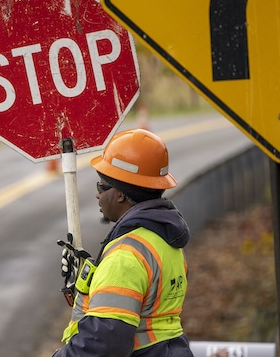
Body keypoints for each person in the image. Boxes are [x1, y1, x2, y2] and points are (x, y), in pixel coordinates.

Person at [54, 128, 194, 357]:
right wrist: (92, 284)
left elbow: (103, 343)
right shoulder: (164, 240)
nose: (98, 195)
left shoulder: (124, 256)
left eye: (102, 186)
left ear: (120, 194)